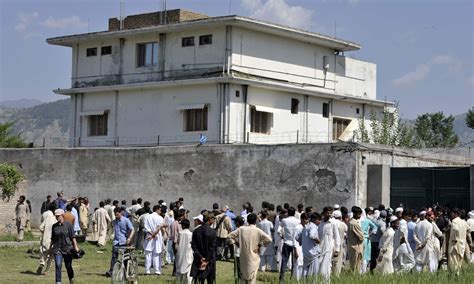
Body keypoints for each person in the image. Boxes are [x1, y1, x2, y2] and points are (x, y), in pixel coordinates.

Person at [228, 213, 272, 284]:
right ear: (256, 221)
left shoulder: (241, 229)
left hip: (243, 257)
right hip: (253, 257)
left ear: (247, 221)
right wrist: (260, 245)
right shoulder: (258, 230)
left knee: (243, 277)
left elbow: (229, 236)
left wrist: (236, 243)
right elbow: (269, 239)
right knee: (252, 279)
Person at [50, 209, 80, 284]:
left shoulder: (68, 224)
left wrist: (75, 246)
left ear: (62, 215)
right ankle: (58, 282)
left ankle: (71, 279)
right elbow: (53, 239)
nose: (57, 217)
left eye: (58, 216)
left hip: (68, 249)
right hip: (57, 249)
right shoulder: (54, 226)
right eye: (56, 216)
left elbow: (73, 236)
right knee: (58, 265)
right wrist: (50, 248)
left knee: (68, 266)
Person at [105, 207, 135, 277]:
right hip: (116, 242)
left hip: (124, 241)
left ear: (120, 213)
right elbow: (111, 229)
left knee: (125, 257)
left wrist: (129, 238)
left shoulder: (126, 220)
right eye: (115, 214)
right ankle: (112, 271)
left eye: (117, 214)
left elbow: (132, 230)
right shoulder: (114, 221)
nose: (116, 216)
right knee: (114, 257)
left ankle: (127, 272)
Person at [191, 212, 217, 284]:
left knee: (199, 280)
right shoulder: (213, 232)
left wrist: (201, 257)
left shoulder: (196, 231)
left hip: (198, 259)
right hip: (210, 260)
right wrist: (207, 260)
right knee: (210, 280)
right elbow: (212, 248)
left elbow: (193, 246)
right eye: (213, 219)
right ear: (209, 219)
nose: (214, 220)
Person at [317, 207, 340, 281]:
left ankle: (326, 281)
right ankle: (320, 280)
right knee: (320, 264)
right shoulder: (321, 223)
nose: (329, 214)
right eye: (327, 213)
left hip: (329, 247)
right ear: (323, 213)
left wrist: (337, 249)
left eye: (330, 213)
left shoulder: (333, 223)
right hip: (320, 247)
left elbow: (337, 236)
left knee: (327, 264)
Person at [143, 205, 167, 275]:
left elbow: (145, 227)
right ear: (157, 209)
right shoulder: (160, 218)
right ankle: (157, 270)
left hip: (149, 235)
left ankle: (147, 270)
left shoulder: (147, 217)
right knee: (156, 254)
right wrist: (155, 234)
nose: (160, 211)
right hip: (157, 237)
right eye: (160, 210)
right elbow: (161, 228)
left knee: (148, 253)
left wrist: (151, 234)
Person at [278, 206, 300, 282]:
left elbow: (279, 230)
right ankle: (293, 277)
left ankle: (281, 279)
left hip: (286, 242)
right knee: (294, 262)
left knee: (284, 261)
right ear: (294, 213)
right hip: (295, 244)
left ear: (288, 213)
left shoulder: (284, 220)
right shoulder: (298, 221)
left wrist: (282, 236)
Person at [448, 208, 471, 275]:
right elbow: (469, 229)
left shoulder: (454, 221)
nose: (451, 215)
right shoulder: (464, 222)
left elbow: (455, 229)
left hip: (454, 244)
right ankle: (458, 275)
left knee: (454, 260)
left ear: (456, 214)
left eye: (452, 213)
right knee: (459, 261)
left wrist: (455, 238)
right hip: (462, 244)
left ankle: (455, 276)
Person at [37, 203, 57, 275]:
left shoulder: (46, 217)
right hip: (53, 240)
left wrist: (44, 232)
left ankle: (42, 263)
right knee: (51, 256)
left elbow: (40, 227)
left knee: (44, 253)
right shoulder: (56, 220)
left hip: (45, 238)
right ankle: (46, 270)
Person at [300, 212, 321, 279]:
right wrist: (318, 240)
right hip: (313, 253)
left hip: (306, 252)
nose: (319, 222)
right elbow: (312, 235)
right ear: (314, 220)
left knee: (305, 270)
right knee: (314, 273)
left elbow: (298, 238)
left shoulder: (305, 227)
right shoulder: (313, 226)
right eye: (318, 220)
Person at [176, 219, 193, 284]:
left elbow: (177, 242)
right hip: (188, 252)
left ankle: (178, 281)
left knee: (179, 268)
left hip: (180, 252)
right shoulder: (191, 234)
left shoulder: (180, 233)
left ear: (183, 225)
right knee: (188, 270)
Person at [347, 206, 364, 273]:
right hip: (356, 247)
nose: (360, 216)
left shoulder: (350, 221)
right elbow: (361, 237)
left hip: (351, 246)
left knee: (353, 266)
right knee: (356, 267)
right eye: (359, 214)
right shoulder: (354, 223)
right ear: (354, 214)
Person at [360, 208, 377, 273]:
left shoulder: (356, 221)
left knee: (361, 257)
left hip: (359, 240)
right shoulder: (367, 220)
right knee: (365, 257)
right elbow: (375, 227)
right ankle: (363, 271)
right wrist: (371, 234)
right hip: (366, 239)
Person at [332, 210, 348, 275]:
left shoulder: (331, 222)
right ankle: (336, 275)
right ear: (340, 216)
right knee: (338, 261)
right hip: (340, 244)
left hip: (331, 243)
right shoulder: (343, 224)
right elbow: (346, 233)